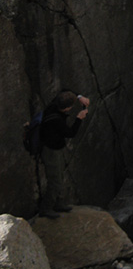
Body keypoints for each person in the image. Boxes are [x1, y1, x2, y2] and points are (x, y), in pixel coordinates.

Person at [39, 90, 90, 219]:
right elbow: (70, 133)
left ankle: (59, 202)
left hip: (55, 148)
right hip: (51, 151)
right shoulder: (56, 120)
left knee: (60, 175)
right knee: (55, 180)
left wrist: (79, 96)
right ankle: (46, 208)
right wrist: (79, 118)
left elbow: (64, 91)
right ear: (67, 108)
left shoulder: (53, 105)